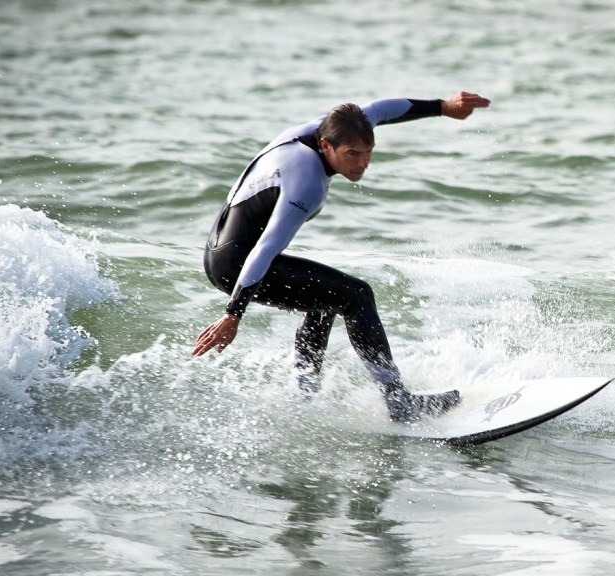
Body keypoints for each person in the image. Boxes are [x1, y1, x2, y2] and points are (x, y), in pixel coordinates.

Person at [192, 91, 491, 422]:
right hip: (236, 266)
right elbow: (266, 247)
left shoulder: (334, 127)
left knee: (326, 299)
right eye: (352, 154)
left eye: (368, 152)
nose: (362, 163)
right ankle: (399, 403)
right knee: (356, 296)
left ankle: (304, 396)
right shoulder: (306, 182)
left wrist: (443, 107)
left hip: (222, 251)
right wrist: (234, 313)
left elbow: (382, 109)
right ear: (326, 147)